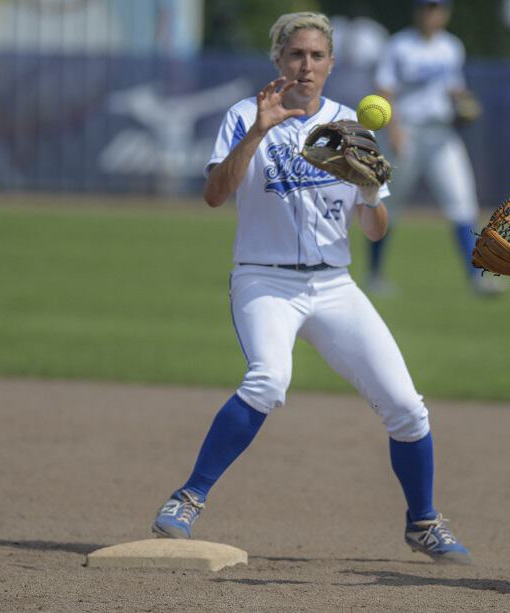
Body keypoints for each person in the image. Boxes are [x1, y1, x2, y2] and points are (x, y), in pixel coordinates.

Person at [150, 12, 472, 565]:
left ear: (331, 64)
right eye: (296, 54)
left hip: (334, 286)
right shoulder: (243, 116)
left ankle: (423, 521)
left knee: (407, 408)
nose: (306, 65)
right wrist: (258, 131)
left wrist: (370, 192)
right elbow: (213, 195)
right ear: (278, 60)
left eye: (317, 56)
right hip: (264, 279)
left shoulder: (351, 125)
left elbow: (375, 227)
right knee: (269, 379)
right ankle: (188, 497)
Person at [369, 0, 500, 296]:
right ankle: (374, 274)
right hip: (406, 132)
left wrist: (464, 100)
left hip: (442, 135)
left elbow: (454, 88)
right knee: (388, 205)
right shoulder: (399, 45)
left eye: (437, 8)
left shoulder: (451, 46)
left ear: (446, 13)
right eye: (427, 7)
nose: (432, 13)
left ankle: (476, 278)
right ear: (417, 12)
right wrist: (395, 131)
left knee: (462, 201)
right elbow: (384, 92)